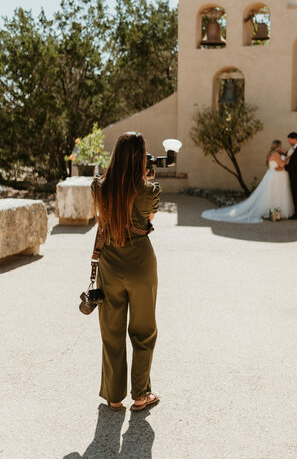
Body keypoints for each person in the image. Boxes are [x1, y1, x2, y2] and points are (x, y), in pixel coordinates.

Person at [91, 132, 161, 411]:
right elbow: (149, 218)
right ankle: (141, 394)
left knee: (111, 330)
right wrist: (146, 179)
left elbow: (101, 215)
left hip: (110, 260)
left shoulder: (99, 186)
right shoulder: (149, 190)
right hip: (141, 262)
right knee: (144, 330)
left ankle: (113, 395)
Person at [201, 140, 294, 223]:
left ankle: (274, 215)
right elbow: (281, 164)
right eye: (280, 146)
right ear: (278, 146)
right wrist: (288, 156)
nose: (282, 148)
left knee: (272, 196)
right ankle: (274, 216)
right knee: (275, 196)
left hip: (273, 176)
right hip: (275, 177)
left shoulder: (272, 153)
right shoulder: (275, 154)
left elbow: (279, 165)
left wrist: (283, 156)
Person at [282, 132, 297, 220]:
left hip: (296, 176)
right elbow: (292, 158)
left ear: (294, 139)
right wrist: (286, 154)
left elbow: (295, 164)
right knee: (296, 194)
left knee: (296, 194)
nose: (289, 142)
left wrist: (284, 167)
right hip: (295, 175)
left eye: (289, 140)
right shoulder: (296, 149)